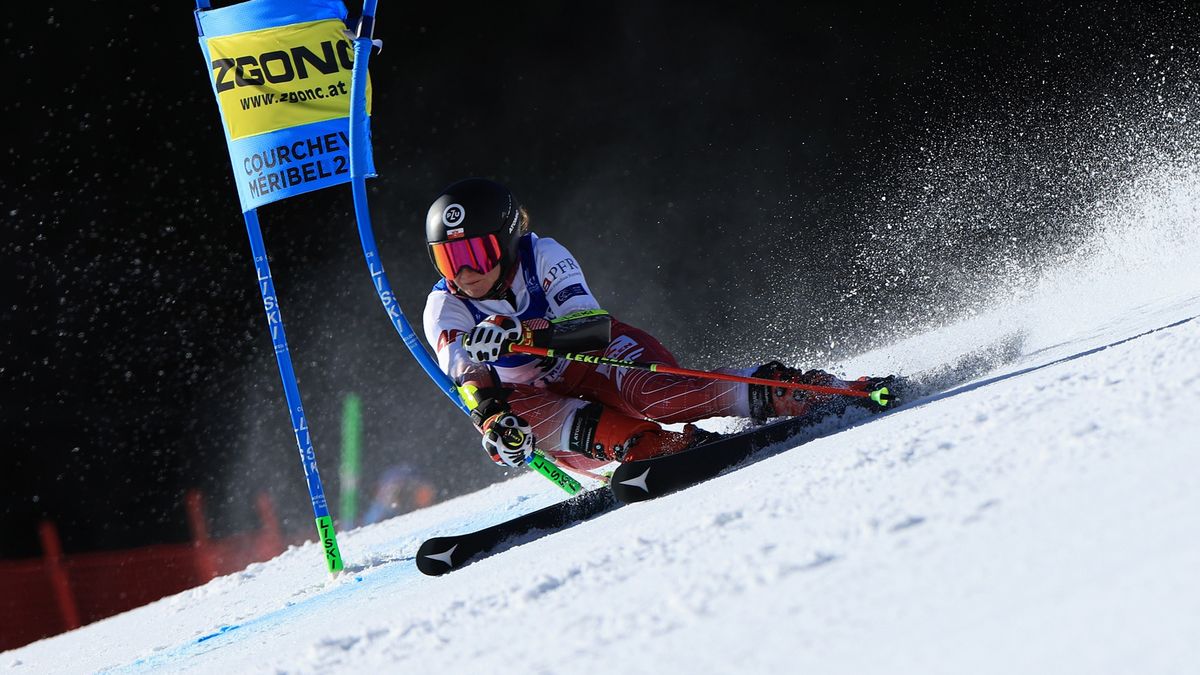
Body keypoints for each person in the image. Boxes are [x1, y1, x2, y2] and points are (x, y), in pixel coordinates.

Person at [422, 177, 892, 478]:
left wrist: (522, 334)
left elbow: (591, 332)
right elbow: (468, 377)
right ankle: (661, 448)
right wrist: (493, 421)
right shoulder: (444, 305)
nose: (464, 274)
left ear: (506, 241)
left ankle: (803, 390)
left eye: (475, 255)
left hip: (590, 361)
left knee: (661, 396)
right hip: (536, 397)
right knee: (538, 421)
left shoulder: (542, 255)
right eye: (449, 260)